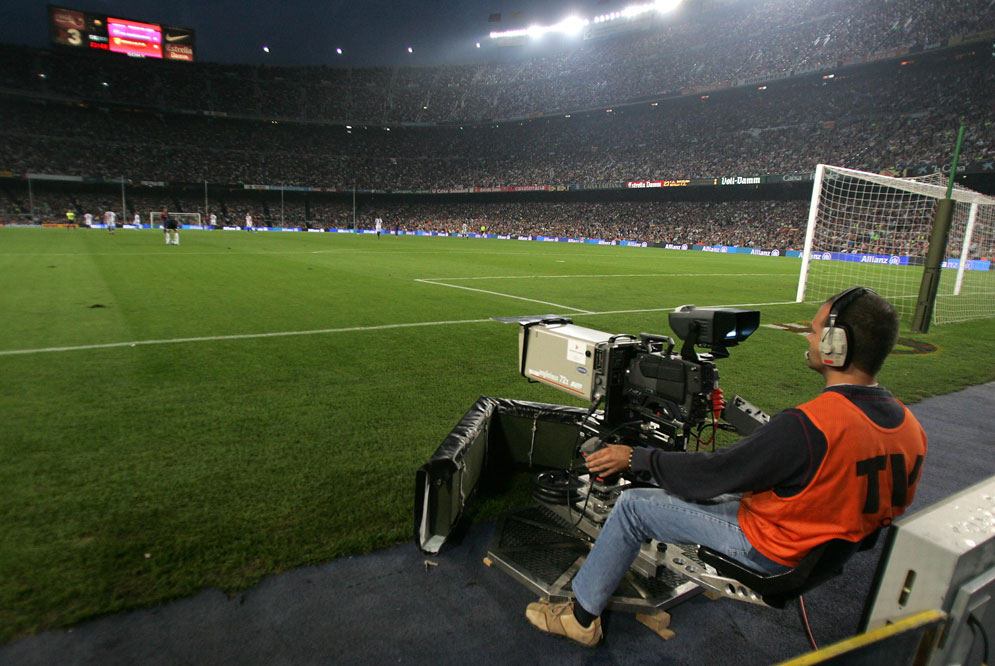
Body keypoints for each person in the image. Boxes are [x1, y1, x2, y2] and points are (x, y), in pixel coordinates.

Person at [524, 287, 927, 647]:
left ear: (837, 345)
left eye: (817, 329)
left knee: (633, 507)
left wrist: (636, 457)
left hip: (771, 548)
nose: (808, 335)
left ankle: (581, 618)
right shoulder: (910, 428)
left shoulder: (812, 425)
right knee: (715, 487)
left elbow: (713, 473)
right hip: (817, 550)